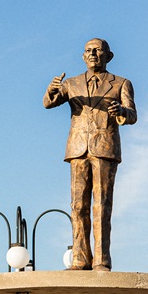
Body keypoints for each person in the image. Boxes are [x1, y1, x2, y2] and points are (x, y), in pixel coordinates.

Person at [43, 38, 137, 271]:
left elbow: (132, 115)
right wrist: (51, 90)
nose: (93, 53)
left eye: (97, 50)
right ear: (83, 56)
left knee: (102, 206)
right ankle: (80, 258)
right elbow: (48, 103)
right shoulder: (72, 84)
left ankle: (101, 260)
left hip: (105, 147)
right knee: (78, 206)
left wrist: (122, 111)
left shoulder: (121, 83)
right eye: (88, 50)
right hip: (78, 148)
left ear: (108, 56)